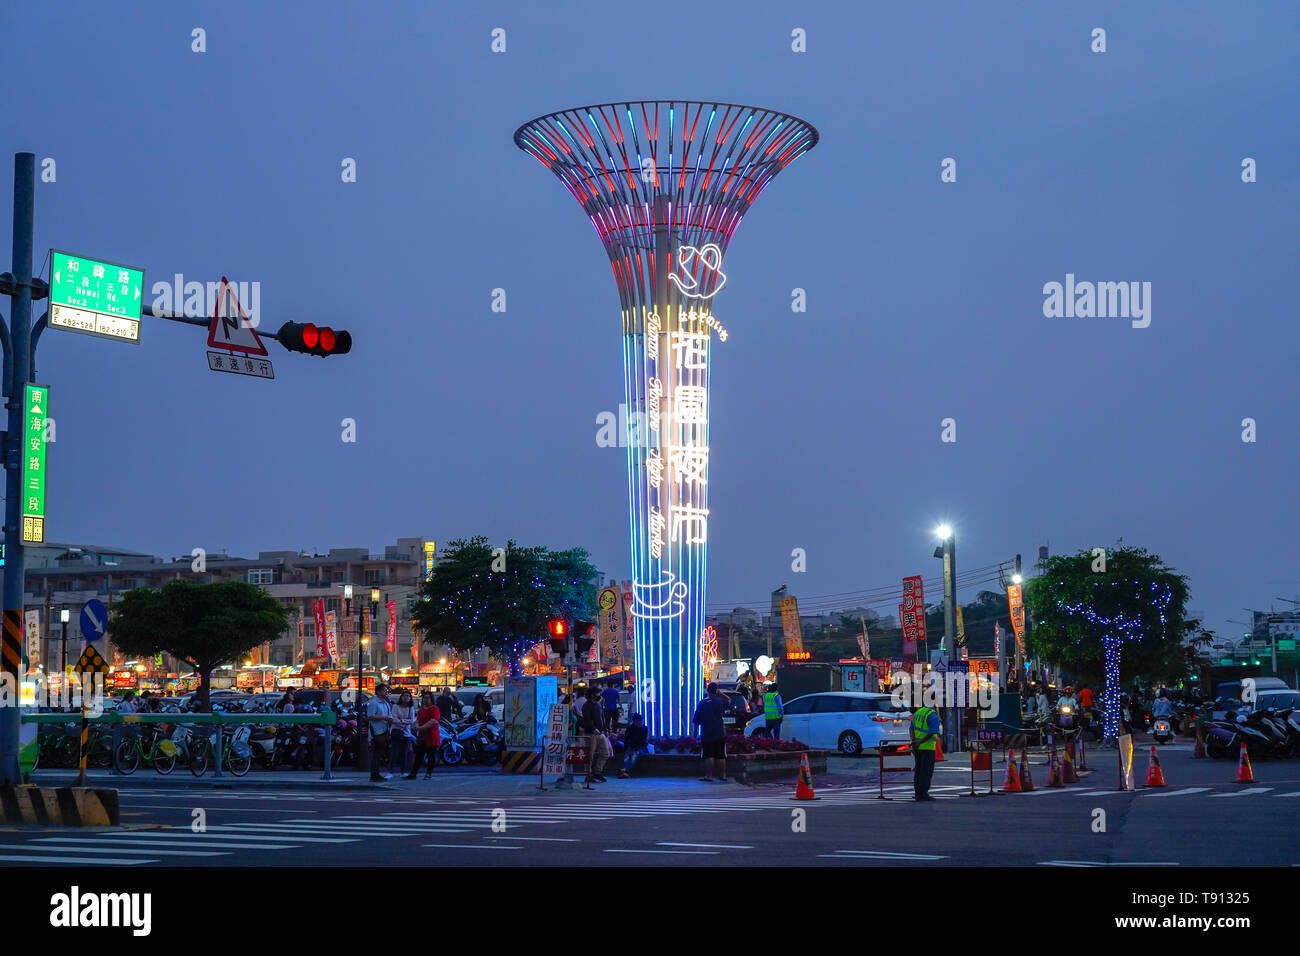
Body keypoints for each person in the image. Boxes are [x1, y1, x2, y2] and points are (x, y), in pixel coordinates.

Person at [692, 683, 730, 782]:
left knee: (709, 755)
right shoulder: (720, 701)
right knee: (721, 755)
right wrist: (720, 694)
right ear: (716, 691)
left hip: (707, 733)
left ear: (707, 691)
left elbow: (696, 720)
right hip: (719, 732)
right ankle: (723, 775)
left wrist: (695, 732)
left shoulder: (702, 703)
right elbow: (729, 700)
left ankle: (709, 776)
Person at [910, 700, 941, 801]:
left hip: (918, 747)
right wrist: (920, 742)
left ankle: (917, 792)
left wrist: (914, 741)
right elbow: (933, 732)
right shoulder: (932, 715)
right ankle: (923, 793)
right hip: (927, 747)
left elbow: (911, 728)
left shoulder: (917, 713)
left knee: (918, 770)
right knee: (926, 771)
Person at [407, 691, 440, 779]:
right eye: (424, 698)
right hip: (422, 736)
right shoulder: (422, 710)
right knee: (419, 755)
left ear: (431, 699)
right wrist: (417, 726)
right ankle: (413, 773)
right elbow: (417, 720)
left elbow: (433, 721)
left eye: (427, 698)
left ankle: (429, 773)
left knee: (431, 755)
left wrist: (421, 728)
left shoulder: (435, 709)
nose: (425, 700)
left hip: (431, 735)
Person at [579, 687, 610, 783]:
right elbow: (587, 720)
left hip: (600, 733)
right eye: (598, 694)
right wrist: (593, 728)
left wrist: (606, 729)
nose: (599, 696)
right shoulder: (586, 706)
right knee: (590, 756)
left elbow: (602, 718)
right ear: (592, 695)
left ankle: (597, 772)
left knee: (605, 753)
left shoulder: (598, 705)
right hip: (591, 734)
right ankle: (588, 774)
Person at [367, 684, 395, 781]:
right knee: (376, 754)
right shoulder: (374, 703)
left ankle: (377, 773)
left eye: (386, 690)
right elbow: (370, 716)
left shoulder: (386, 703)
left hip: (385, 731)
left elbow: (390, 715)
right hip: (376, 732)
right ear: (378, 692)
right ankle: (374, 775)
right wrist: (385, 718)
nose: (386, 692)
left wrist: (390, 720)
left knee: (380, 754)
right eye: (384, 690)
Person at [390, 690, 417, 775]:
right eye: (404, 696)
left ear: (410, 698)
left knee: (404, 753)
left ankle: (403, 771)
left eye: (408, 696)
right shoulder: (395, 706)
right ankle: (391, 771)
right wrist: (405, 721)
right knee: (394, 752)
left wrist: (401, 721)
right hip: (396, 731)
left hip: (406, 733)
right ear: (401, 697)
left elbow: (412, 720)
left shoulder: (411, 708)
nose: (405, 697)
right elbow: (393, 719)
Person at [618, 713, 648, 778]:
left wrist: (634, 750)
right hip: (631, 746)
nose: (639, 723)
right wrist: (628, 749)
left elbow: (642, 741)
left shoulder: (644, 728)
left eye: (640, 721)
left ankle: (625, 770)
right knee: (627, 755)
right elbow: (627, 739)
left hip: (641, 747)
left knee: (634, 755)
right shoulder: (630, 728)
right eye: (636, 722)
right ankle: (625, 771)